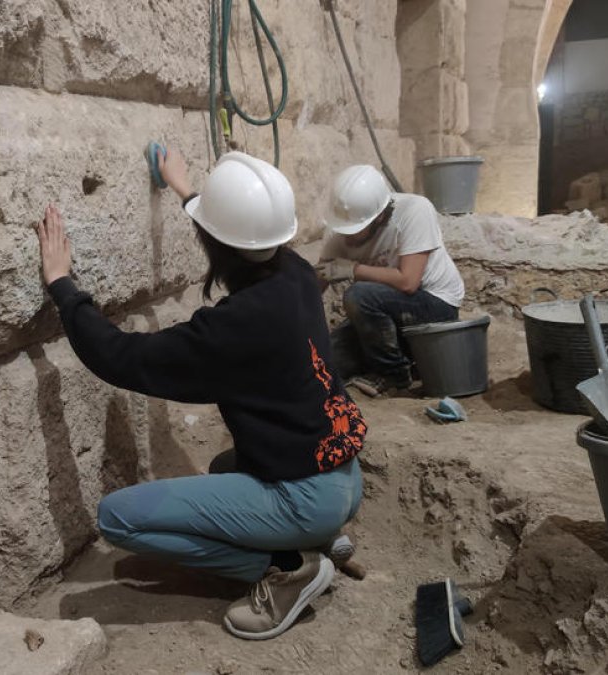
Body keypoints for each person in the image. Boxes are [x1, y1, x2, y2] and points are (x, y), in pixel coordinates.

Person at [35, 148, 366, 641]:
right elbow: (242, 231)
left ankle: (285, 568)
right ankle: (322, 538)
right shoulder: (294, 271)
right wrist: (183, 189)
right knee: (222, 469)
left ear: (214, 241)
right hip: (342, 471)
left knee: (118, 518)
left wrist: (62, 284)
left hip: (304, 495)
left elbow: (121, 356)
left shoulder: (234, 327)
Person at [316, 164, 465, 397]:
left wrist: (354, 269)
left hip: (435, 308)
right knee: (323, 363)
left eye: (355, 229)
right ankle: (403, 360)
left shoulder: (415, 210)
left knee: (359, 295)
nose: (347, 235)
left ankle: (394, 376)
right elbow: (315, 287)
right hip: (383, 323)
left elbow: (408, 282)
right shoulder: (340, 234)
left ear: (380, 216)